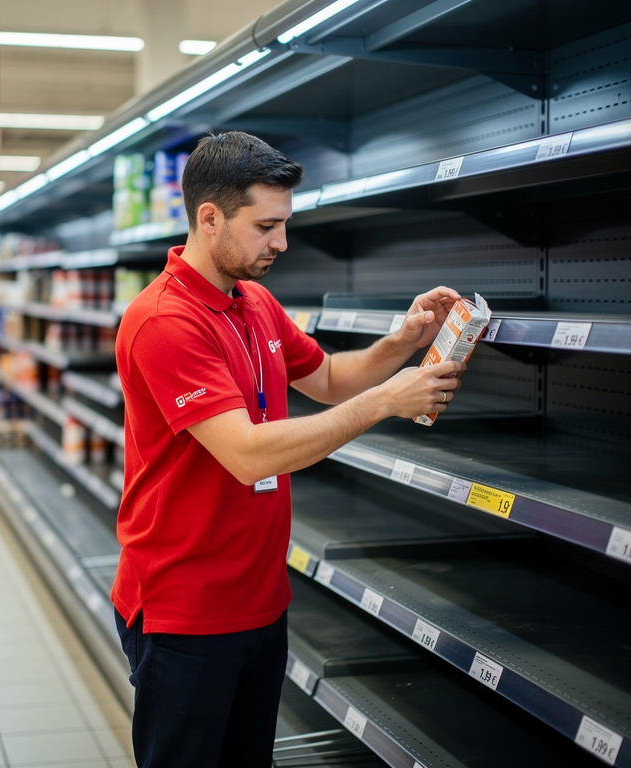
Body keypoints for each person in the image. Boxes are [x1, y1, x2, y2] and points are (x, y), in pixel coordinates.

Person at [112, 131, 466, 768]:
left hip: (260, 599)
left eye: (285, 225)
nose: (281, 242)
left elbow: (328, 379)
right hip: (184, 612)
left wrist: (403, 342)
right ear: (209, 217)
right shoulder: (165, 321)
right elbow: (247, 455)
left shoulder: (254, 301)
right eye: (267, 226)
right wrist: (387, 401)